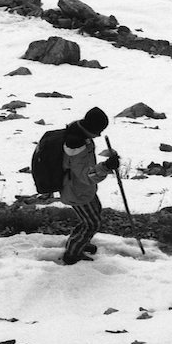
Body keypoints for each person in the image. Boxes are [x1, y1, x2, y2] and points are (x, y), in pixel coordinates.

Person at [59, 107, 119, 265]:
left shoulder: (79, 133)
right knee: (92, 223)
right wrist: (106, 167)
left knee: (93, 215)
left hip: (81, 189)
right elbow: (87, 176)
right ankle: (72, 253)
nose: (99, 134)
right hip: (76, 191)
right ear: (91, 129)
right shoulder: (76, 147)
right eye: (98, 131)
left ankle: (79, 241)